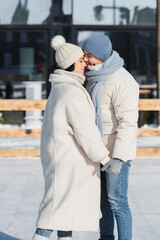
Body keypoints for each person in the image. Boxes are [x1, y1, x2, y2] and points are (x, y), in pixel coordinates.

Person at [32, 35, 113, 240]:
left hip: (63, 158)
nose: (85, 63)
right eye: (80, 60)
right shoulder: (71, 91)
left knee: (64, 213)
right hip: (69, 162)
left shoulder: (62, 87)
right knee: (54, 213)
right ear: (69, 65)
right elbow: (85, 131)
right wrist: (104, 158)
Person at [82, 33, 139, 240]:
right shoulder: (92, 79)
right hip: (99, 153)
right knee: (102, 202)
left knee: (117, 202)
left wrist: (119, 157)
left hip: (116, 154)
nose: (86, 59)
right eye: (84, 55)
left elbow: (128, 123)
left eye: (89, 55)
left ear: (101, 55)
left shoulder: (122, 80)